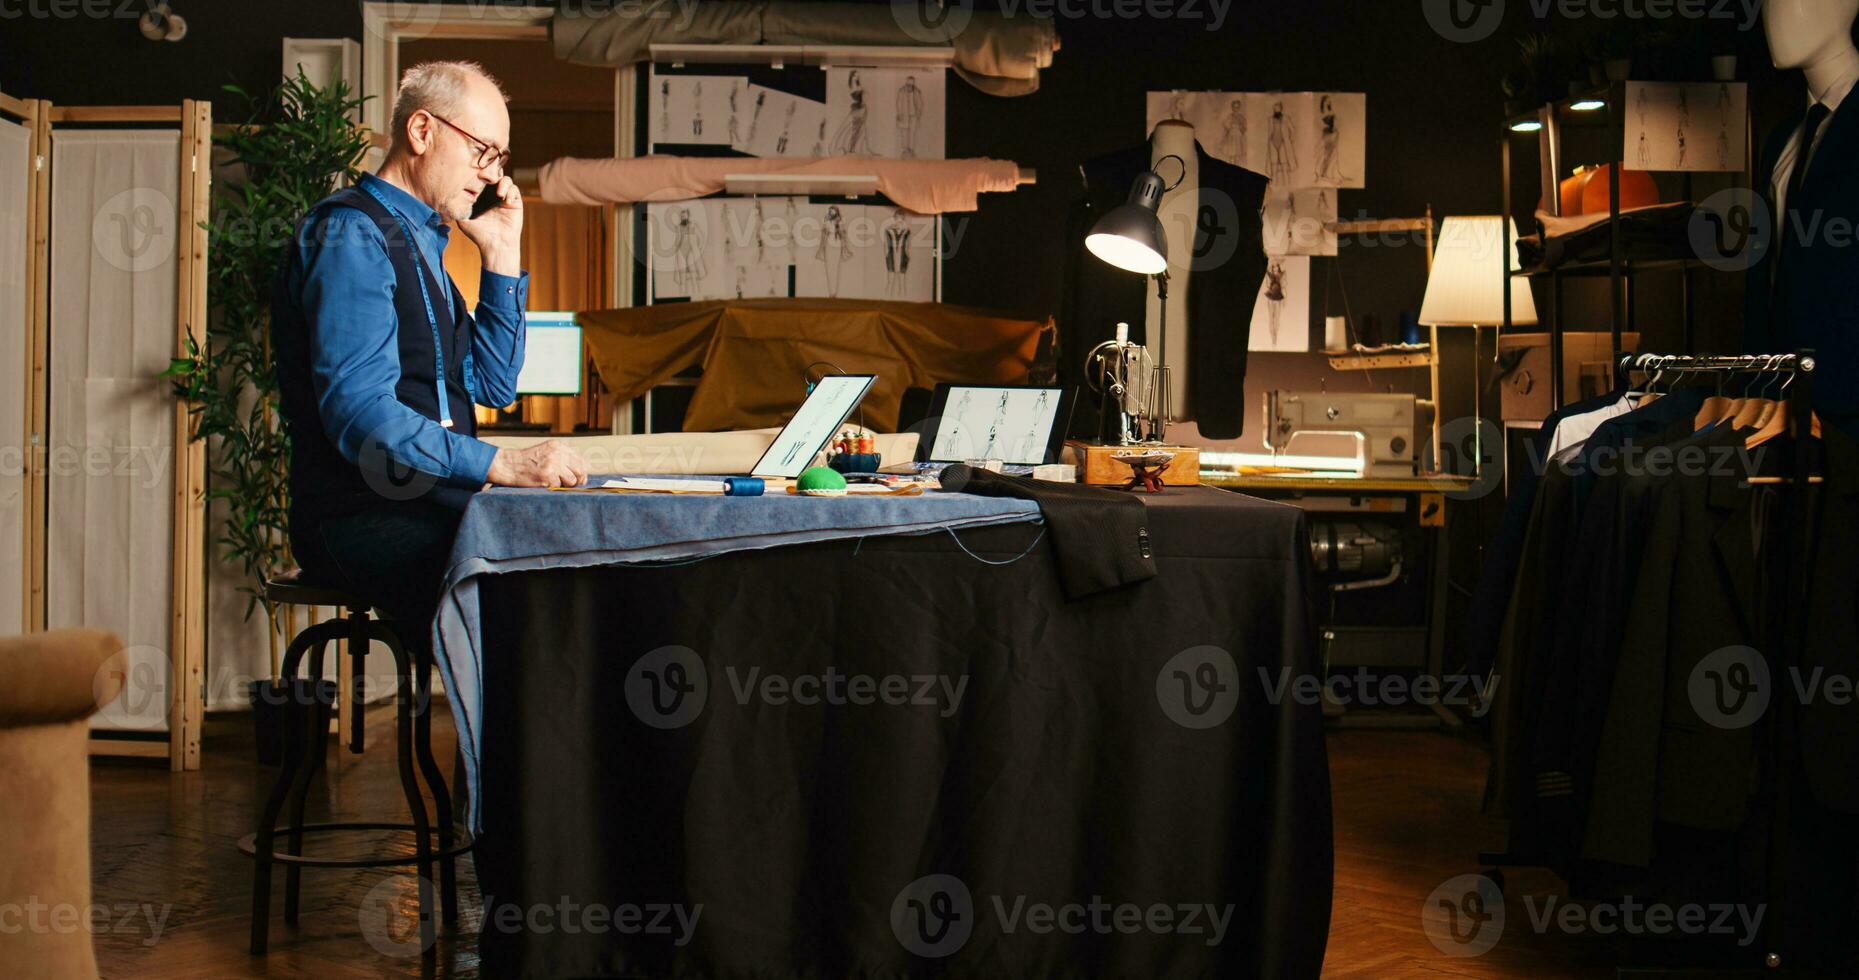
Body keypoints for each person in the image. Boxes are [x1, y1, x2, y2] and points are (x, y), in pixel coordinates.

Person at [271, 60, 587, 641]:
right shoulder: (351, 235)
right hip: (359, 519)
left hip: (429, 506)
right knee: (530, 603)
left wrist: (502, 257)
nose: (492, 176)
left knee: (568, 570)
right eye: (482, 152)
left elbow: (492, 386)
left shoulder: (424, 243)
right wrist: (500, 464)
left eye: (498, 158)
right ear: (422, 131)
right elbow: (362, 417)